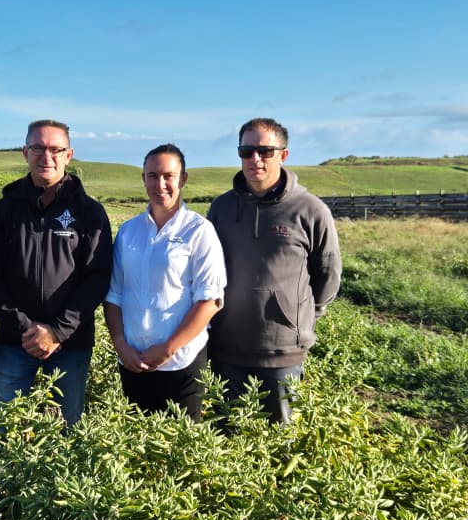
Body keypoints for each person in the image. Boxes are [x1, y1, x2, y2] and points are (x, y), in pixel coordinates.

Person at [0, 119, 112, 442]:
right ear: (25, 152)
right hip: (14, 341)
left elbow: (97, 278)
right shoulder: (4, 210)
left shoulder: (90, 213)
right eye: (38, 148)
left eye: (55, 149)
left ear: (69, 155)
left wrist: (58, 331)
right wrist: (25, 328)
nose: (46, 156)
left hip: (71, 343)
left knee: (66, 432)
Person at [207, 118, 342, 425]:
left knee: (278, 437)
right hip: (226, 349)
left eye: (265, 151)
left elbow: (327, 273)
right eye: (246, 151)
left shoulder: (310, 210)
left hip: (282, 353)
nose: (255, 159)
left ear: (284, 155)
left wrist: (300, 317)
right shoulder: (221, 209)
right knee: (224, 436)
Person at [104, 144, 226, 421]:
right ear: (143, 179)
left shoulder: (199, 231)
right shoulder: (128, 232)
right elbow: (114, 295)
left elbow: (210, 300)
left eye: (168, 176)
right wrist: (120, 344)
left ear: (183, 179)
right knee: (136, 439)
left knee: (181, 443)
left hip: (181, 363)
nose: (160, 184)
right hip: (133, 361)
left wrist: (168, 348)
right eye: (152, 176)